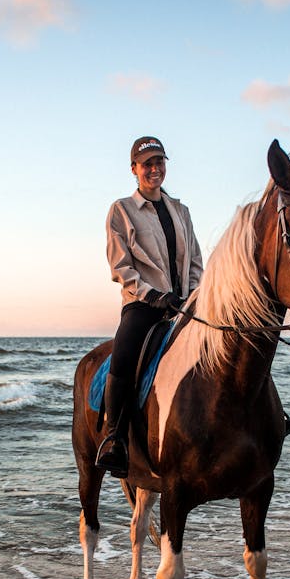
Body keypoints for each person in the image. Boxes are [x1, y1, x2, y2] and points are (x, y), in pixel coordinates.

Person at [95, 136, 203, 477]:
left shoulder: (181, 212)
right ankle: (115, 439)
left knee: (231, 342)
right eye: (147, 164)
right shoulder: (122, 210)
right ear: (134, 170)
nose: (155, 169)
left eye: (160, 162)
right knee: (125, 353)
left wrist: (196, 295)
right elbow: (120, 267)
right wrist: (153, 295)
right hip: (144, 305)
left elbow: (196, 261)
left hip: (184, 305)